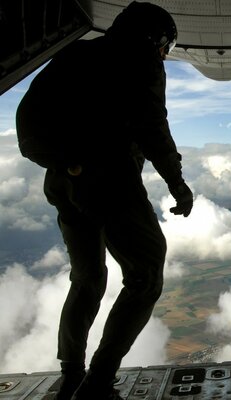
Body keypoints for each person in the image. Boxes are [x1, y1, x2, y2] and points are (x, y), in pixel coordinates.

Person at [15, 2, 193, 399]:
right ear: (157, 39)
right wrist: (177, 185)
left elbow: (26, 127)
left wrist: (68, 165)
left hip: (64, 186)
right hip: (111, 184)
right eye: (167, 47)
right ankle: (97, 383)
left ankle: (72, 374)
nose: (165, 55)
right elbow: (153, 128)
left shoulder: (74, 54)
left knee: (88, 279)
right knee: (146, 276)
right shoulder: (141, 59)